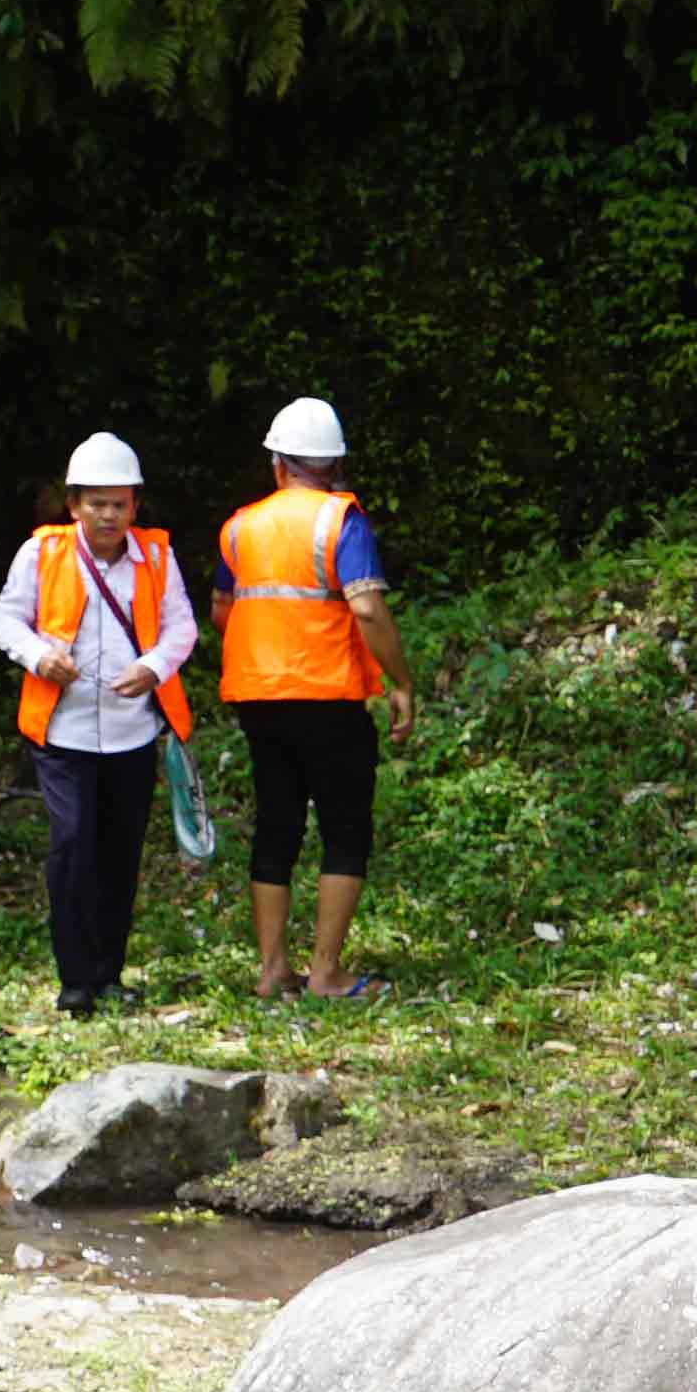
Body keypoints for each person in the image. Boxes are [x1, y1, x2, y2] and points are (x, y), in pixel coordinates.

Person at [215, 400, 417, 1000]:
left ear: (278, 464)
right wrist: (400, 680)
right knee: (344, 827)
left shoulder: (239, 527)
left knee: (276, 825)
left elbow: (224, 612)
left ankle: (272, 970)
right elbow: (366, 606)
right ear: (335, 465)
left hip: (260, 699)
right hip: (328, 697)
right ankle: (327, 972)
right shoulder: (341, 521)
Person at [0, 435, 194, 1020]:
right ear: (74, 505)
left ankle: (108, 975)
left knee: (120, 852)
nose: (109, 515)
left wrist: (151, 668)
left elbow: (181, 627)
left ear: (135, 505)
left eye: (120, 504)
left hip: (132, 731)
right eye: (97, 503)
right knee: (72, 844)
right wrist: (37, 656)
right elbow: (5, 616)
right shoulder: (42, 554)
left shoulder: (156, 556)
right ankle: (73, 979)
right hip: (63, 731)